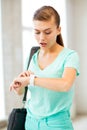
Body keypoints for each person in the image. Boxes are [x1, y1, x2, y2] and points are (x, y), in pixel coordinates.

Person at [10, 6, 80, 130]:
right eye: (37, 32)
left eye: (47, 32)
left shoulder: (70, 56)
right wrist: (19, 86)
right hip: (30, 122)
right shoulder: (32, 56)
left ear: (58, 30)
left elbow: (65, 85)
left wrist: (32, 80)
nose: (41, 38)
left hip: (57, 124)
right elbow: (22, 92)